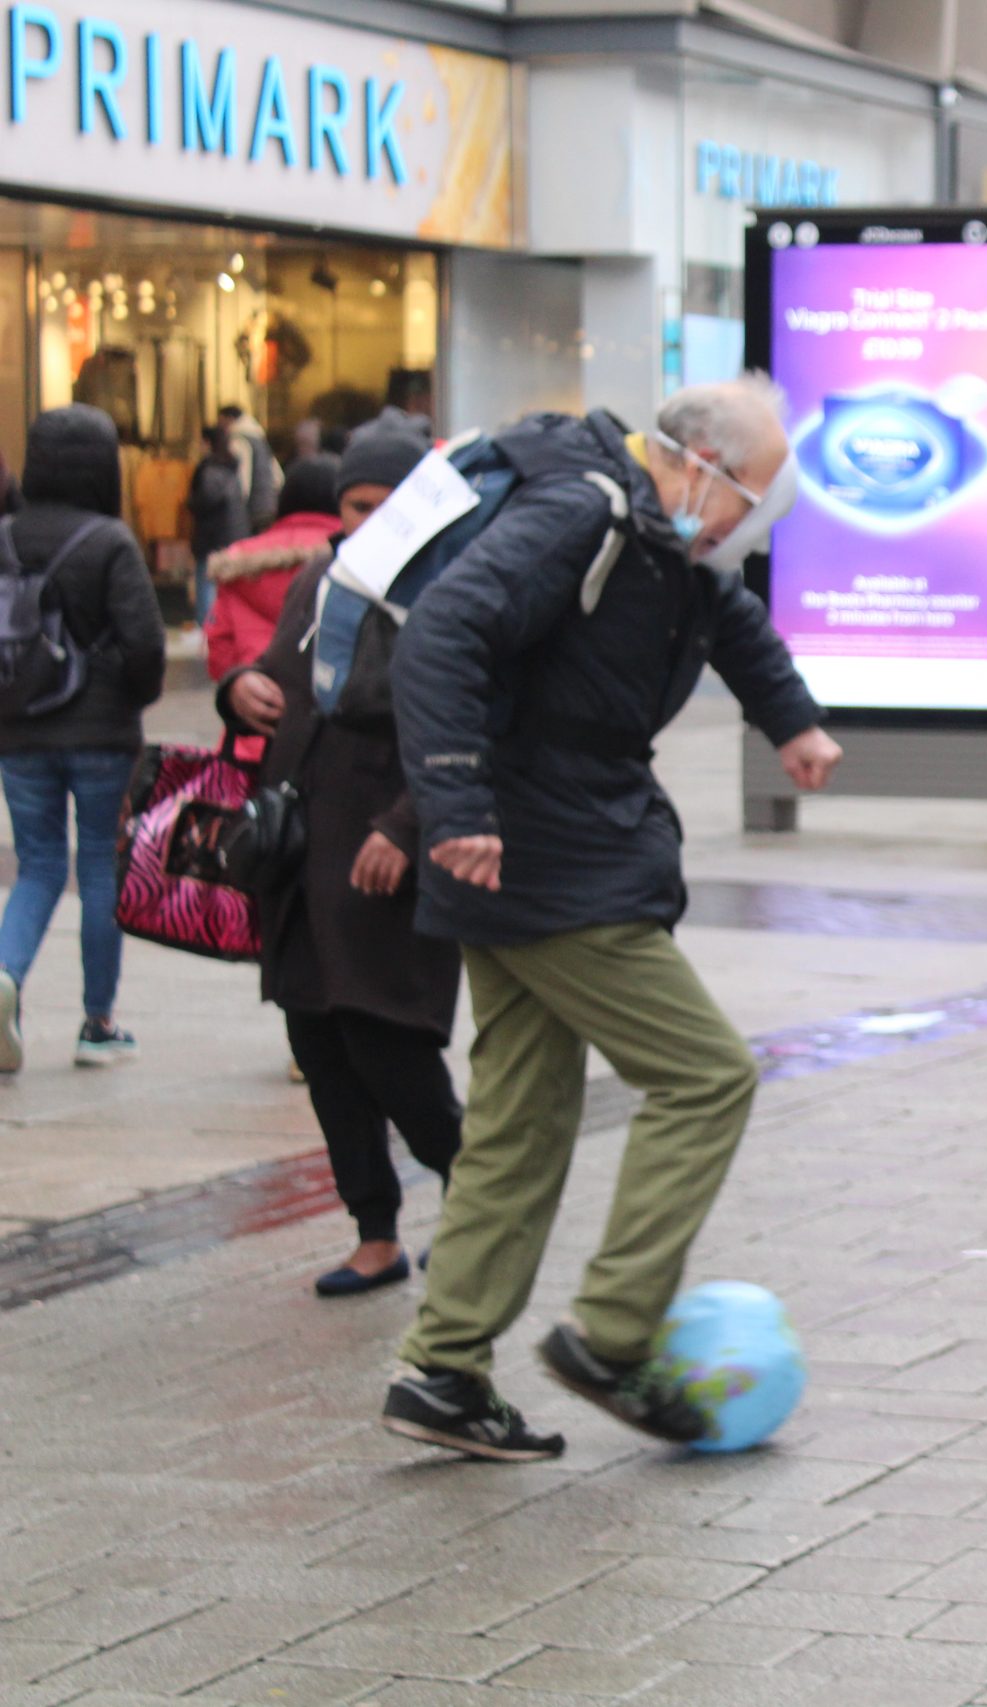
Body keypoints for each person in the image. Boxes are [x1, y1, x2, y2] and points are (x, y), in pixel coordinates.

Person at [379, 379, 844, 1462]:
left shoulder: (659, 535)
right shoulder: (578, 514)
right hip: (548, 856)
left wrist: (792, 720)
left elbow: (725, 613)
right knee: (707, 1075)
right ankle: (614, 1331)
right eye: (746, 500)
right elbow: (442, 634)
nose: (742, 529)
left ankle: (443, 1371)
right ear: (695, 463)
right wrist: (455, 805)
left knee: (522, 1113)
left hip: (543, 847)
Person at [218, 418, 465, 1299]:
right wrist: (240, 689)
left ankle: (479, 1204)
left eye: (386, 505)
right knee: (319, 1038)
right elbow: (282, 679)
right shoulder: (321, 577)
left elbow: (467, 725)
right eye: (356, 506)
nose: (369, 523)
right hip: (304, 845)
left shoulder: (450, 585)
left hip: (386, 844)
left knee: (387, 1039)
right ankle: (375, 1231)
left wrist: (405, 826)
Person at [0, 405, 165, 1070]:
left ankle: (5, 975)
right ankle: (98, 1023)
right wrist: (130, 697)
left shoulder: (6, 535)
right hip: (101, 732)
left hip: (18, 729)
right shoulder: (110, 541)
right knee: (99, 864)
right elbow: (145, 644)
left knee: (38, 863)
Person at [205, 456, 340, 679]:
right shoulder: (353, 555)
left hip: (257, 689)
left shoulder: (240, 559)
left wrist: (237, 685)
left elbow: (220, 646)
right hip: (332, 690)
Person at [187, 425, 248, 625]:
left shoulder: (210, 470)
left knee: (207, 585)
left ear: (208, 443)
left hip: (212, 537)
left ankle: (208, 628)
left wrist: (191, 502)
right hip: (231, 534)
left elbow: (205, 501)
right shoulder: (230, 468)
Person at [219, 404, 280, 533]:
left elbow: (242, 476)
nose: (220, 426)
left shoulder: (239, 439)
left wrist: (238, 505)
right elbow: (278, 476)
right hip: (269, 505)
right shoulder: (260, 439)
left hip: (252, 508)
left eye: (221, 421)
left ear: (229, 419)